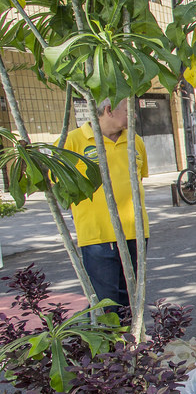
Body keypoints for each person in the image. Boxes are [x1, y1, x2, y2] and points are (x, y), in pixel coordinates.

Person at [65, 98, 148, 307]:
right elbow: (61, 185)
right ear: (109, 110)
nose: (135, 115)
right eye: (130, 110)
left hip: (135, 233)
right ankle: (107, 339)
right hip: (98, 236)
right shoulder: (74, 141)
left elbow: (141, 178)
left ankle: (130, 340)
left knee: (131, 301)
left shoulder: (135, 140)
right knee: (106, 303)